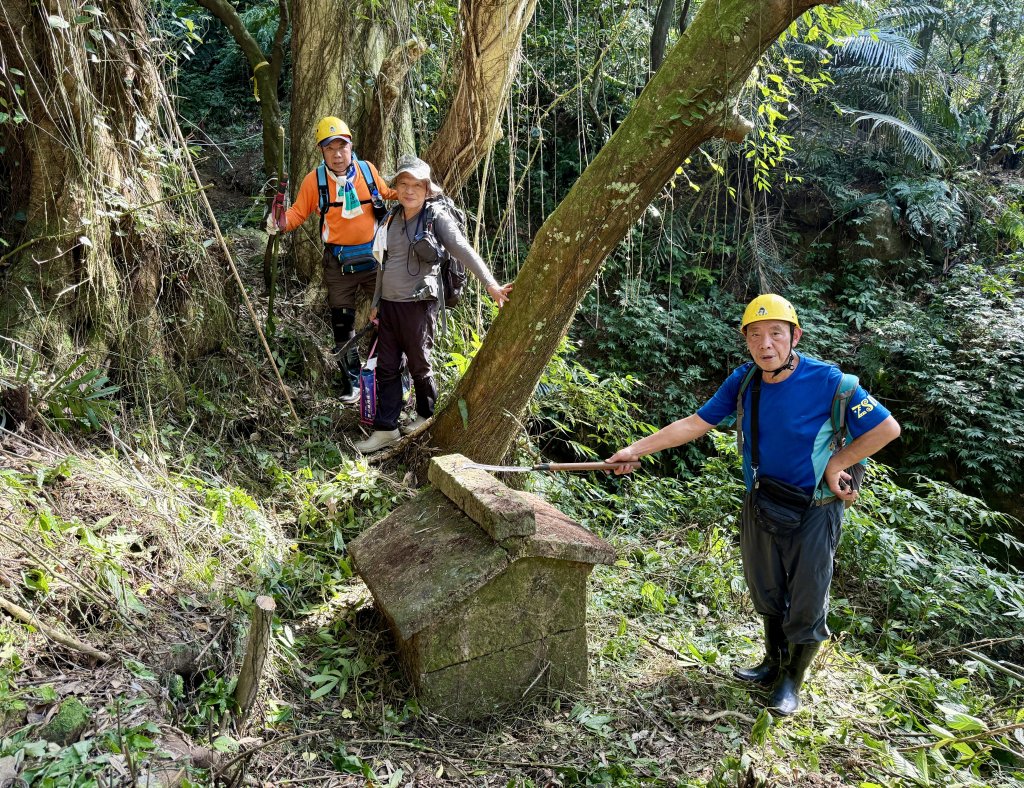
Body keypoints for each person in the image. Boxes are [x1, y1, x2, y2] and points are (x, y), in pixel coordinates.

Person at [607, 294, 901, 716]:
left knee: (807, 594)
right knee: (766, 585)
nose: (766, 345)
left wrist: (839, 462)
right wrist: (634, 449)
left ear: (794, 336)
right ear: (746, 341)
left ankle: (791, 682)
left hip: (814, 506)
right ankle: (770, 662)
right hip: (762, 498)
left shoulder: (832, 383)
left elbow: (886, 428)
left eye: (776, 334)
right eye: (756, 336)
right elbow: (696, 423)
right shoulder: (745, 381)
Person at [353, 155, 513, 454]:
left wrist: (490, 284)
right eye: (403, 184)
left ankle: (425, 414)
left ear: (427, 190)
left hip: (418, 305)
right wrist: (376, 302)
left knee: (418, 363)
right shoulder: (390, 218)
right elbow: (383, 264)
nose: (409, 191)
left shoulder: (434, 217)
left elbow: (463, 249)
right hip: (389, 306)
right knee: (387, 367)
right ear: (396, 187)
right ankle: (385, 428)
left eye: (416, 185)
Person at [267, 116, 397, 404]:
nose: (338, 154)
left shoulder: (367, 171)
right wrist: (278, 222)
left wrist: (417, 189)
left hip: (376, 258)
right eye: (330, 149)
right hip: (339, 263)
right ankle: (352, 383)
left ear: (351, 147)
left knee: (389, 318)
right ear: (322, 152)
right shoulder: (315, 181)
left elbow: (388, 194)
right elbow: (298, 213)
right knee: (342, 322)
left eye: (342, 147)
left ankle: (387, 376)